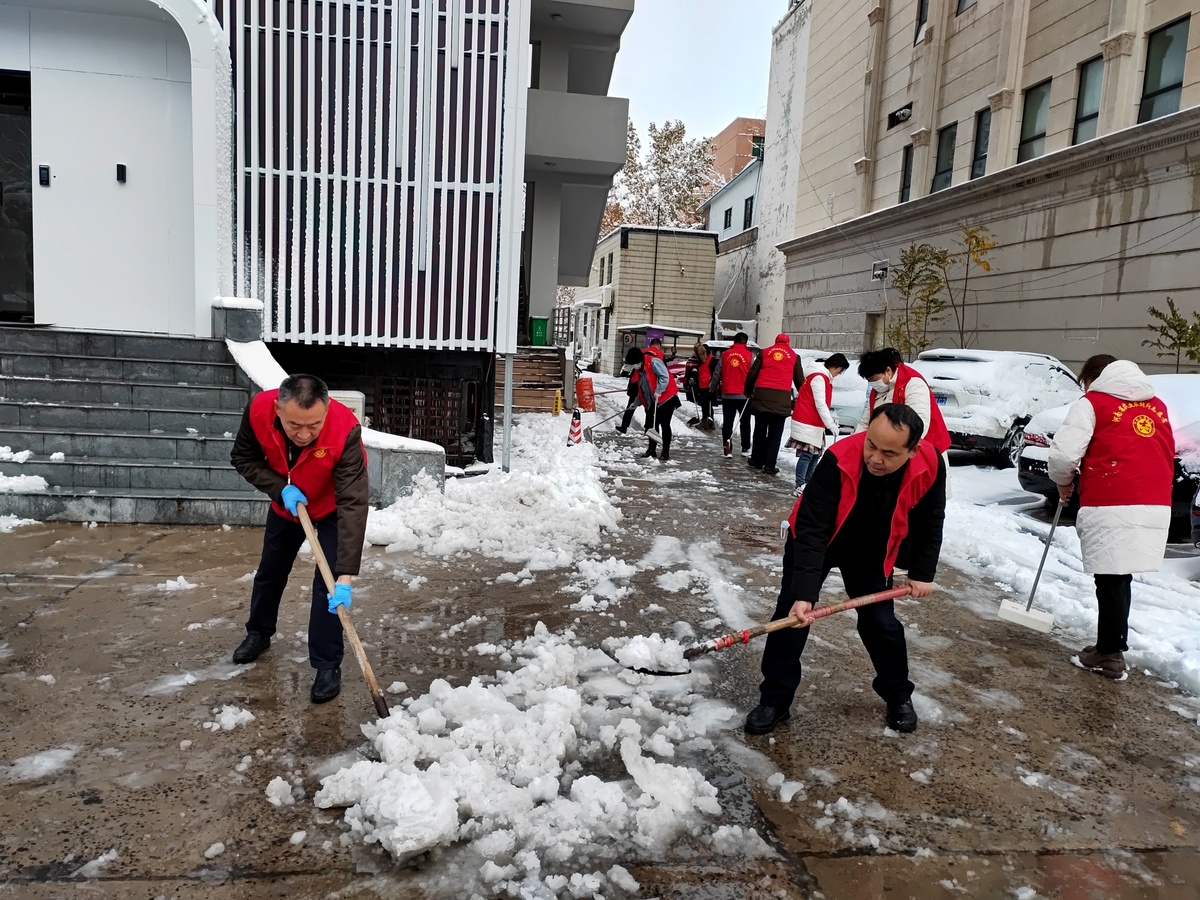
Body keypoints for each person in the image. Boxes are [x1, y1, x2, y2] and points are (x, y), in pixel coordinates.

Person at [745, 404, 946, 736]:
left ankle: (897, 694)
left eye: (889, 453)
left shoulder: (931, 463)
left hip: (871, 550)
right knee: (791, 615)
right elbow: (811, 529)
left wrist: (922, 572)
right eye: (871, 444)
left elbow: (930, 519)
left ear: (912, 451)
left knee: (881, 622)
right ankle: (775, 701)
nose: (875, 458)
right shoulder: (840, 458)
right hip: (818, 542)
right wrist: (805, 593)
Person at [229, 374, 370, 704]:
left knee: (328, 584)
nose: (304, 434)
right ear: (278, 409)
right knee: (271, 571)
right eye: (295, 425)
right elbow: (243, 458)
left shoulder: (344, 429)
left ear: (326, 411)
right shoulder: (258, 412)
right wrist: (279, 490)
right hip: (289, 503)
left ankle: (326, 665)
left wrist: (345, 576)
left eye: (313, 425)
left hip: (333, 508)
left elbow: (353, 502)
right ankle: (258, 633)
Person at [1047, 355, 1175, 680]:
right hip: (1154, 500)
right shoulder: (1157, 405)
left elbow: (1063, 454)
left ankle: (1110, 654)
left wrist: (1063, 482)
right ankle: (1112, 645)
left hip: (1112, 499)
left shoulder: (1093, 403)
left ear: (1091, 379)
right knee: (1119, 577)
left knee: (1110, 578)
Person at [854, 348, 951, 454]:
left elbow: (919, 422)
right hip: (891, 451)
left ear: (888, 371)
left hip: (924, 448)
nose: (873, 384)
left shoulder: (913, 383)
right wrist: (855, 444)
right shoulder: (878, 390)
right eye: (869, 381)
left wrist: (899, 450)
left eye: (874, 379)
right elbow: (867, 421)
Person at [789, 353, 849, 496]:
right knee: (808, 455)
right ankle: (800, 484)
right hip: (807, 420)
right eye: (839, 371)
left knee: (815, 454)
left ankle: (808, 483)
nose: (838, 374)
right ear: (834, 366)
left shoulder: (822, 377)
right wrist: (831, 425)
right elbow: (820, 404)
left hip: (814, 421)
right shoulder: (818, 378)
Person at [745, 333, 804, 475]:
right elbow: (799, 380)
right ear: (788, 343)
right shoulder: (794, 357)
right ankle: (770, 465)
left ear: (775, 341)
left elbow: (752, 373)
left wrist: (748, 391)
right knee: (775, 433)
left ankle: (756, 460)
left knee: (759, 429)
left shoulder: (764, 353)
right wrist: (801, 396)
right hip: (781, 399)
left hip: (762, 396)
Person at [632, 346, 681, 461]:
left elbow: (665, 376)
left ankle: (665, 452)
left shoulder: (654, 362)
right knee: (651, 425)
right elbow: (644, 389)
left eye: (634, 364)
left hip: (667, 397)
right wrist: (636, 403)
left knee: (664, 424)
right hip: (656, 400)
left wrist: (659, 390)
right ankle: (651, 449)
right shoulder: (641, 370)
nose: (634, 367)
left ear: (639, 360)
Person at [712, 332, 754, 458]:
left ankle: (727, 449)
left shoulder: (725, 355)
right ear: (745, 342)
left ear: (734, 342)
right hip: (744, 395)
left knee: (728, 422)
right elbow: (753, 375)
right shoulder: (750, 356)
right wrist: (753, 391)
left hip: (727, 394)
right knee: (745, 422)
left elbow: (717, 373)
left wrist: (712, 387)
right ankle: (745, 448)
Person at [685, 341, 717, 428]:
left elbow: (715, 373)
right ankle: (706, 420)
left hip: (709, 386)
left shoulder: (711, 360)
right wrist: (695, 380)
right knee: (704, 404)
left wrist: (713, 383)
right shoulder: (702, 362)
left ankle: (708, 420)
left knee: (708, 404)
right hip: (703, 386)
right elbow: (701, 373)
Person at [615, 347, 643, 434]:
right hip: (635, 388)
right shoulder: (635, 363)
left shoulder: (640, 364)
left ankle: (624, 427)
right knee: (630, 408)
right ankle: (624, 426)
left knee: (632, 409)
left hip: (640, 389)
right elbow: (627, 374)